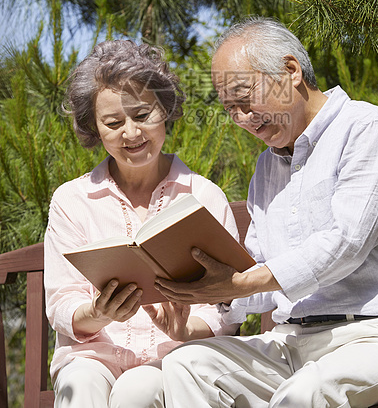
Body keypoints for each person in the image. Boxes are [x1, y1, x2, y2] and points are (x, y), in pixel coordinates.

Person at [157, 17, 378, 408]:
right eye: (230, 109)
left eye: (245, 98)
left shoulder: (367, 127)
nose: (243, 118)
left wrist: (241, 283)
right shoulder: (266, 168)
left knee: (303, 394)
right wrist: (213, 290)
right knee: (188, 364)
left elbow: (346, 243)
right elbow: (256, 269)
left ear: (290, 71)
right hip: (291, 343)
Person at [44, 40, 239, 408]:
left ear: (164, 110)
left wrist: (185, 329)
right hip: (91, 358)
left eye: (142, 115)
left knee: (139, 390)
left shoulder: (203, 196)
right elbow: (61, 303)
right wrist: (97, 314)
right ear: (95, 127)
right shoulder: (72, 200)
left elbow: (224, 306)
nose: (130, 134)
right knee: (82, 383)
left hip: (174, 359)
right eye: (113, 123)